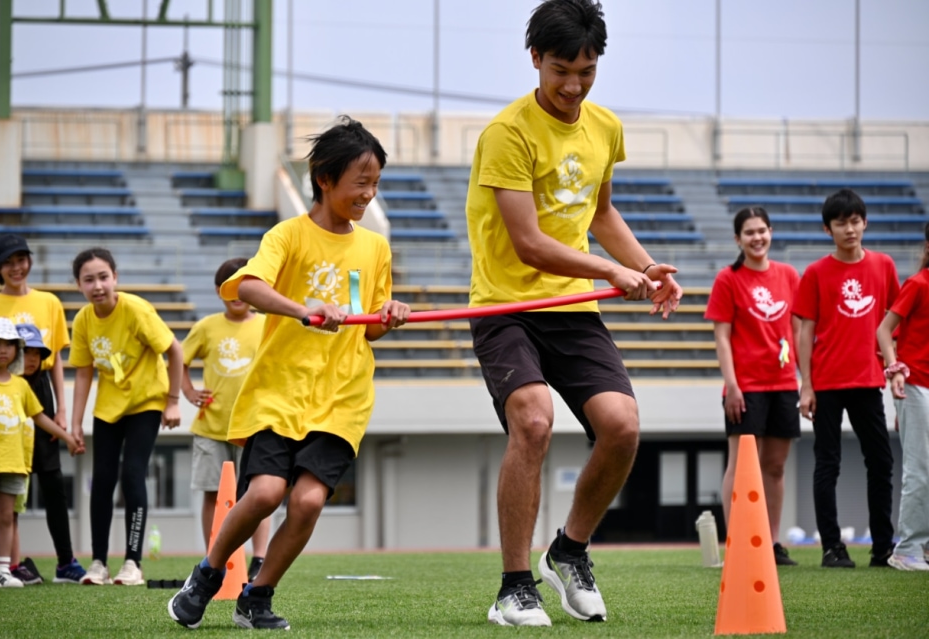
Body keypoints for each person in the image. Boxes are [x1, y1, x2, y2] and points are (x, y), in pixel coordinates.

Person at [464, 0, 682, 627]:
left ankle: (570, 550)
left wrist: (645, 268)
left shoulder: (605, 127)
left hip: (571, 305)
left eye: (586, 70)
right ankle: (513, 586)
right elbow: (528, 242)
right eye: (561, 69)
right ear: (535, 59)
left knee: (622, 426)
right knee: (531, 423)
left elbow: (601, 213)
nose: (572, 85)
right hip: (507, 305)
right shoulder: (507, 133)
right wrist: (613, 273)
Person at [168, 116, 410, 630]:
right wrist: (303, 309)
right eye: (360, 182)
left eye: (375, 184)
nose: (368, 194)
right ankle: (209, 573)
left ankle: (258, 595)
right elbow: (246, 286)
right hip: (280, 388)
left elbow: (366, 330)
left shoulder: (374, 248)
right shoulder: (288, 235)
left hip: (342, 395)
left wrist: (388, 314)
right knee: (264, 493)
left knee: (306, 501)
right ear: (324, 179)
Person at [793, 189, 899, 569]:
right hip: (826, 383)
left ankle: (883, 548)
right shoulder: (816, 273)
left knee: (881, 462)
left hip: (869, 381)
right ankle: (832, 548)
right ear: (828, 229)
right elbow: (805, 331)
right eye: (841, 222)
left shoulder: (884, 266)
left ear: (865, 223)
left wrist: (893, 365)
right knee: (827, 464)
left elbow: (894, 321)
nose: (850, 228)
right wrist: (805, 384)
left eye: (855, 221)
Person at [0, 234, 83, 584]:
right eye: (8, 262)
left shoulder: (49, 301)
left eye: (22, 259)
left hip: (39, 388)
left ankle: (65, 561)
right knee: (0, 483)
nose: (17, 267)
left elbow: (58, 357)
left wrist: (62, 410)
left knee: (49, 484)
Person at [69, 247, 184, 586]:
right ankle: (99, 563)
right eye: (89, 280)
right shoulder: (83, 321)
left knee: (133, 473)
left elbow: (174, 350)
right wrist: (76, 423)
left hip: (146, 401)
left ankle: (132, 564)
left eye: (103, 277)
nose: (98, 285)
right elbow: (84, 374)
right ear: (79, 285)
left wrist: (173, 401)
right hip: (109, 407)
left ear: (115, 278)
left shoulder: (135, 310)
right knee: (102, 480)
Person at [704, 208, 801, 566]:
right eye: (749, 233)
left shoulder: (789, 275)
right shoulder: (728, 279)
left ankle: (771, 543)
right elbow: (722, 336)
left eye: (762, 230)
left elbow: (798, 331)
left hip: (784, 383)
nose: (757, 238)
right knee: (742, 463)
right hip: (745, 386)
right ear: (738, 239)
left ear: (771, 232)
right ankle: (738, 542)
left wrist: (807, 383)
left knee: (775, 467)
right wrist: (732, 384)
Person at [181, 257, 271, 579]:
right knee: (211, 493)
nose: (235, 292)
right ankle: (213, 556)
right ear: (219, 291)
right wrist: (188, 393)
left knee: (258, 494)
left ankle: (259, 557)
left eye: (243, 284)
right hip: (212, 425)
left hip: (254, 424)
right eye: (227, 285)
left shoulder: (266, 324)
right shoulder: (206, 327)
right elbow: (179, 357)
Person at [875, 222, 929, 571]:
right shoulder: (918, 284)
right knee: (920, 470)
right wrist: (895, 369)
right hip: (917, 382)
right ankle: (908, 549)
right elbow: (883, 329)